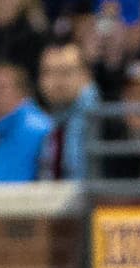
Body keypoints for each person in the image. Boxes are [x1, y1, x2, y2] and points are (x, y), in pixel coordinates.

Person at [37, 39, 99, 180]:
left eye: (66, 72)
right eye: (49, 72)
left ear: (86, 76)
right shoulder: (42, 123)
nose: (57, 80)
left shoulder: (104, 120)